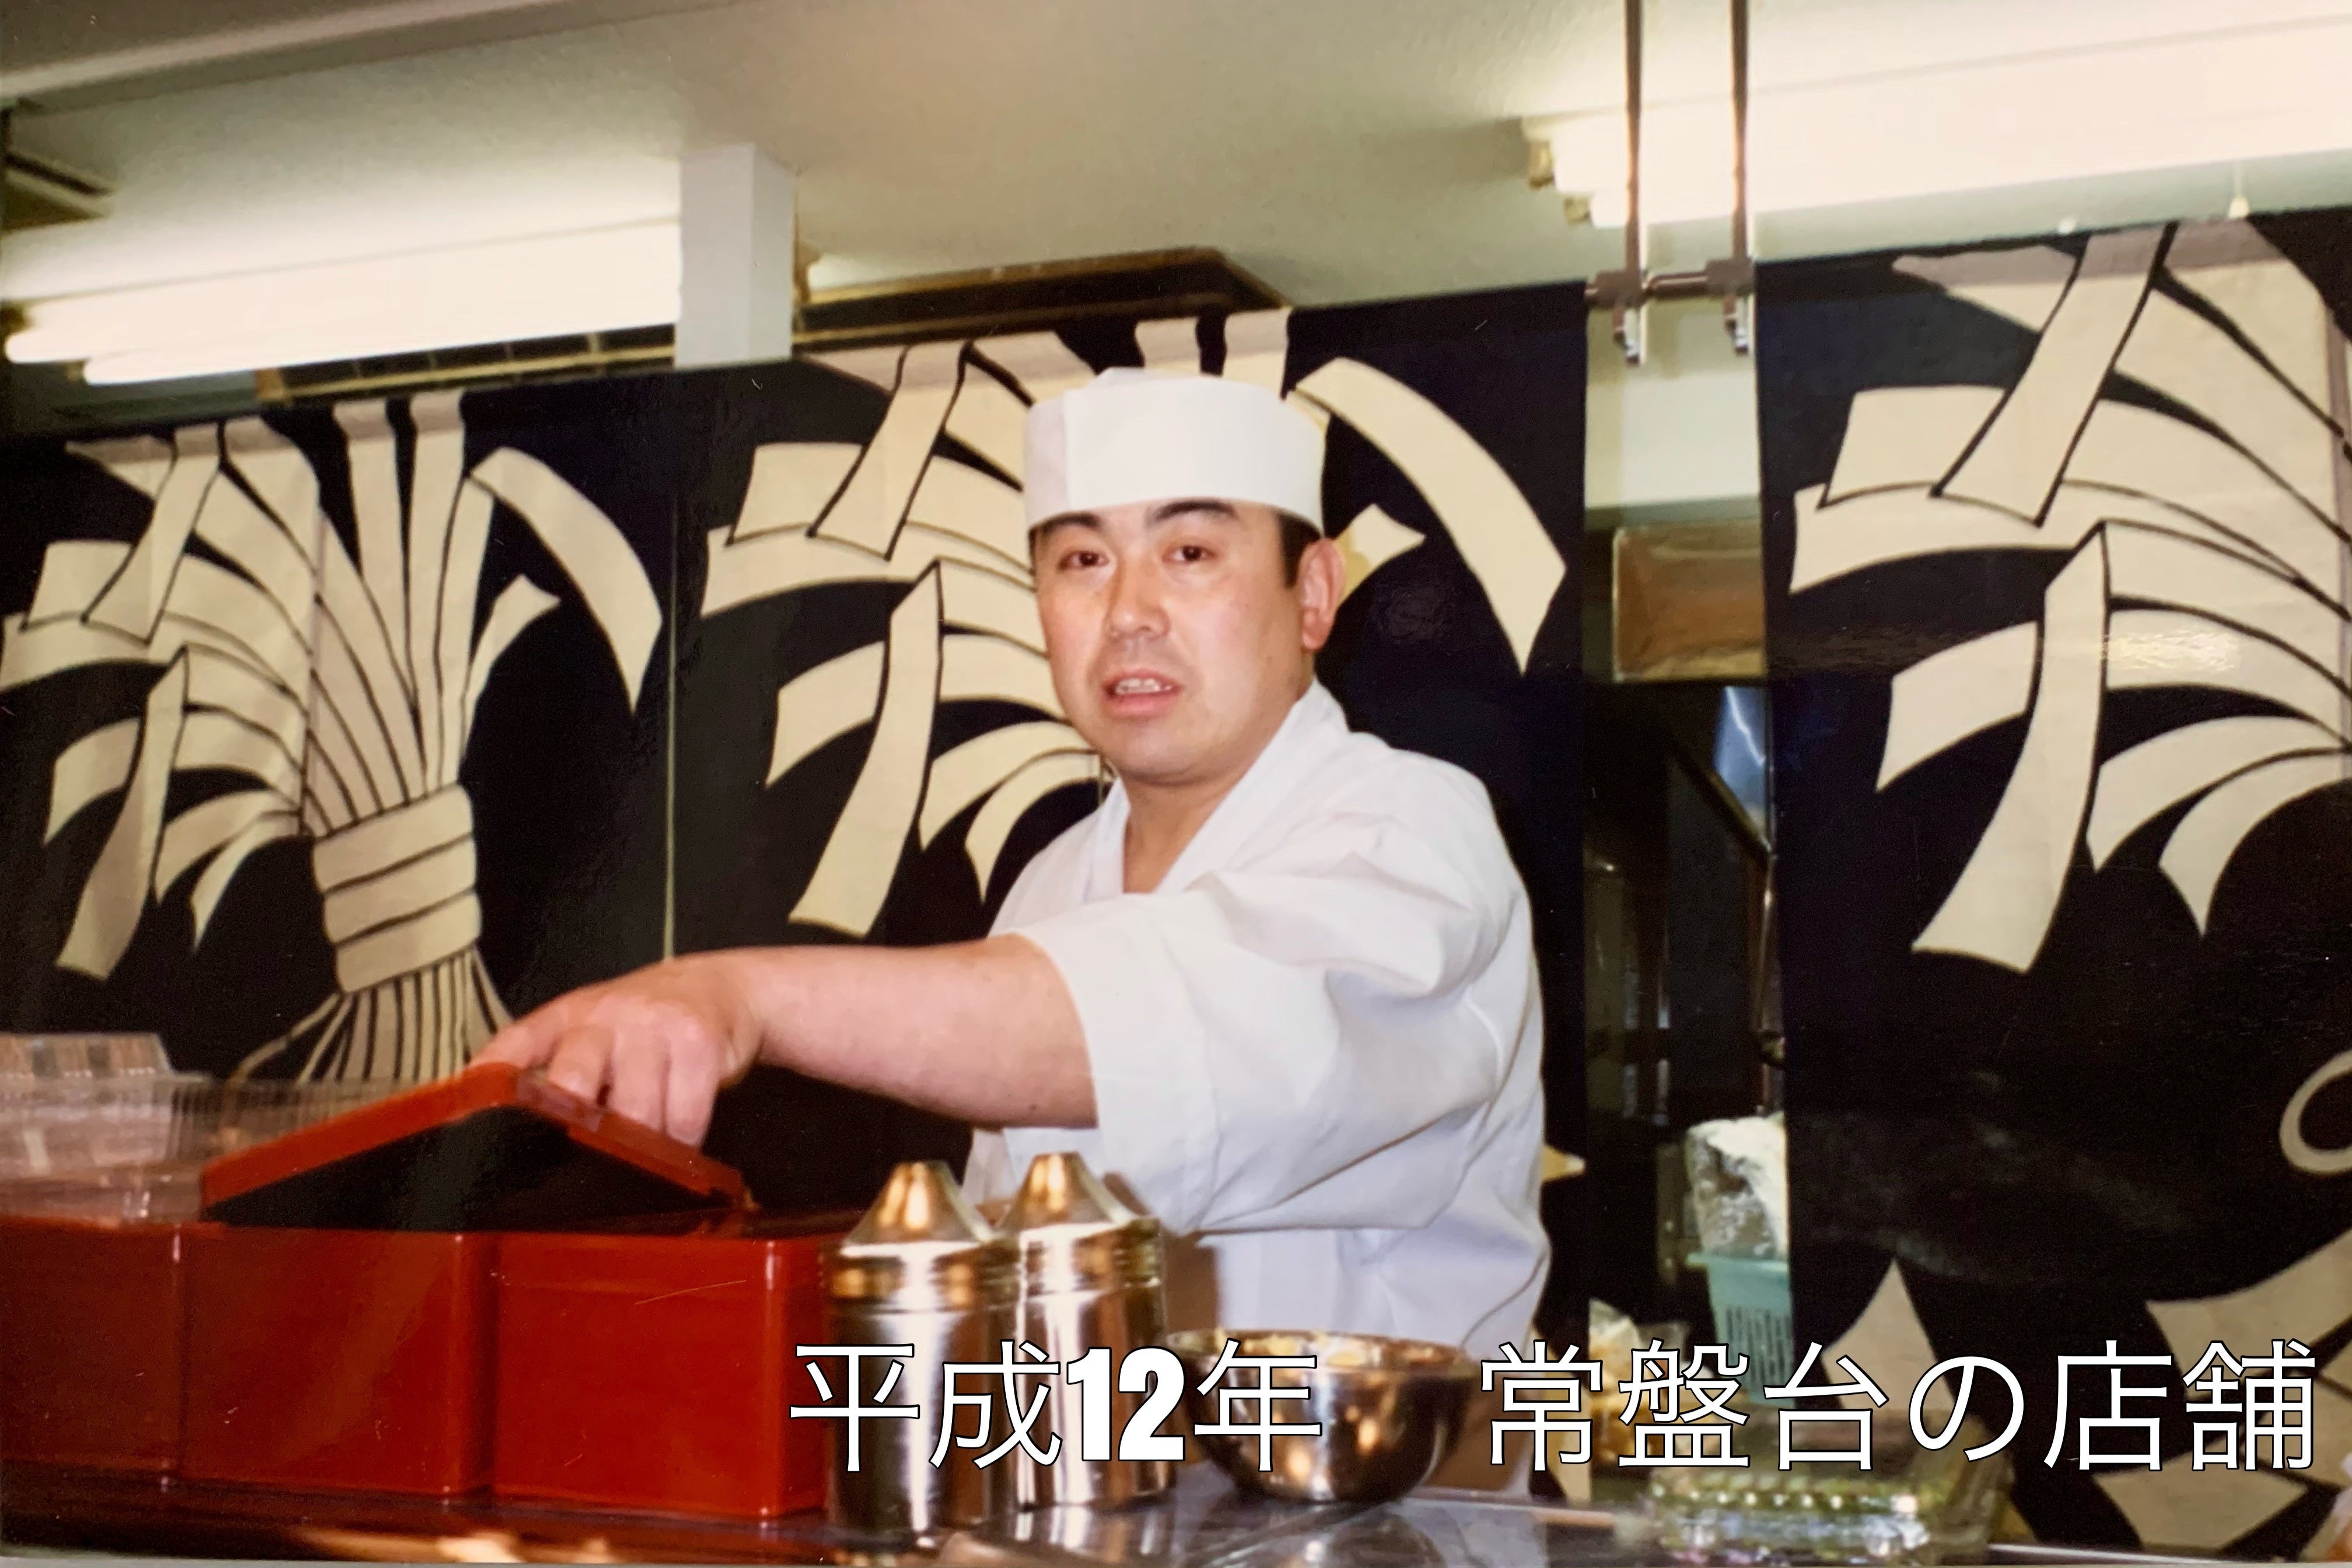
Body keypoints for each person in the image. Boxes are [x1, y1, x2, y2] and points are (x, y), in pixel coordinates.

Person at [478, 368, 1548, 1353]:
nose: (1129, 615)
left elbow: (1174, 1026)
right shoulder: (1054, 883)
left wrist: (742, 997)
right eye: (1082, 562)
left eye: (1190, 554)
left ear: (1311, 594)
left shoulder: (1411, 831)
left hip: (1381, 1486)